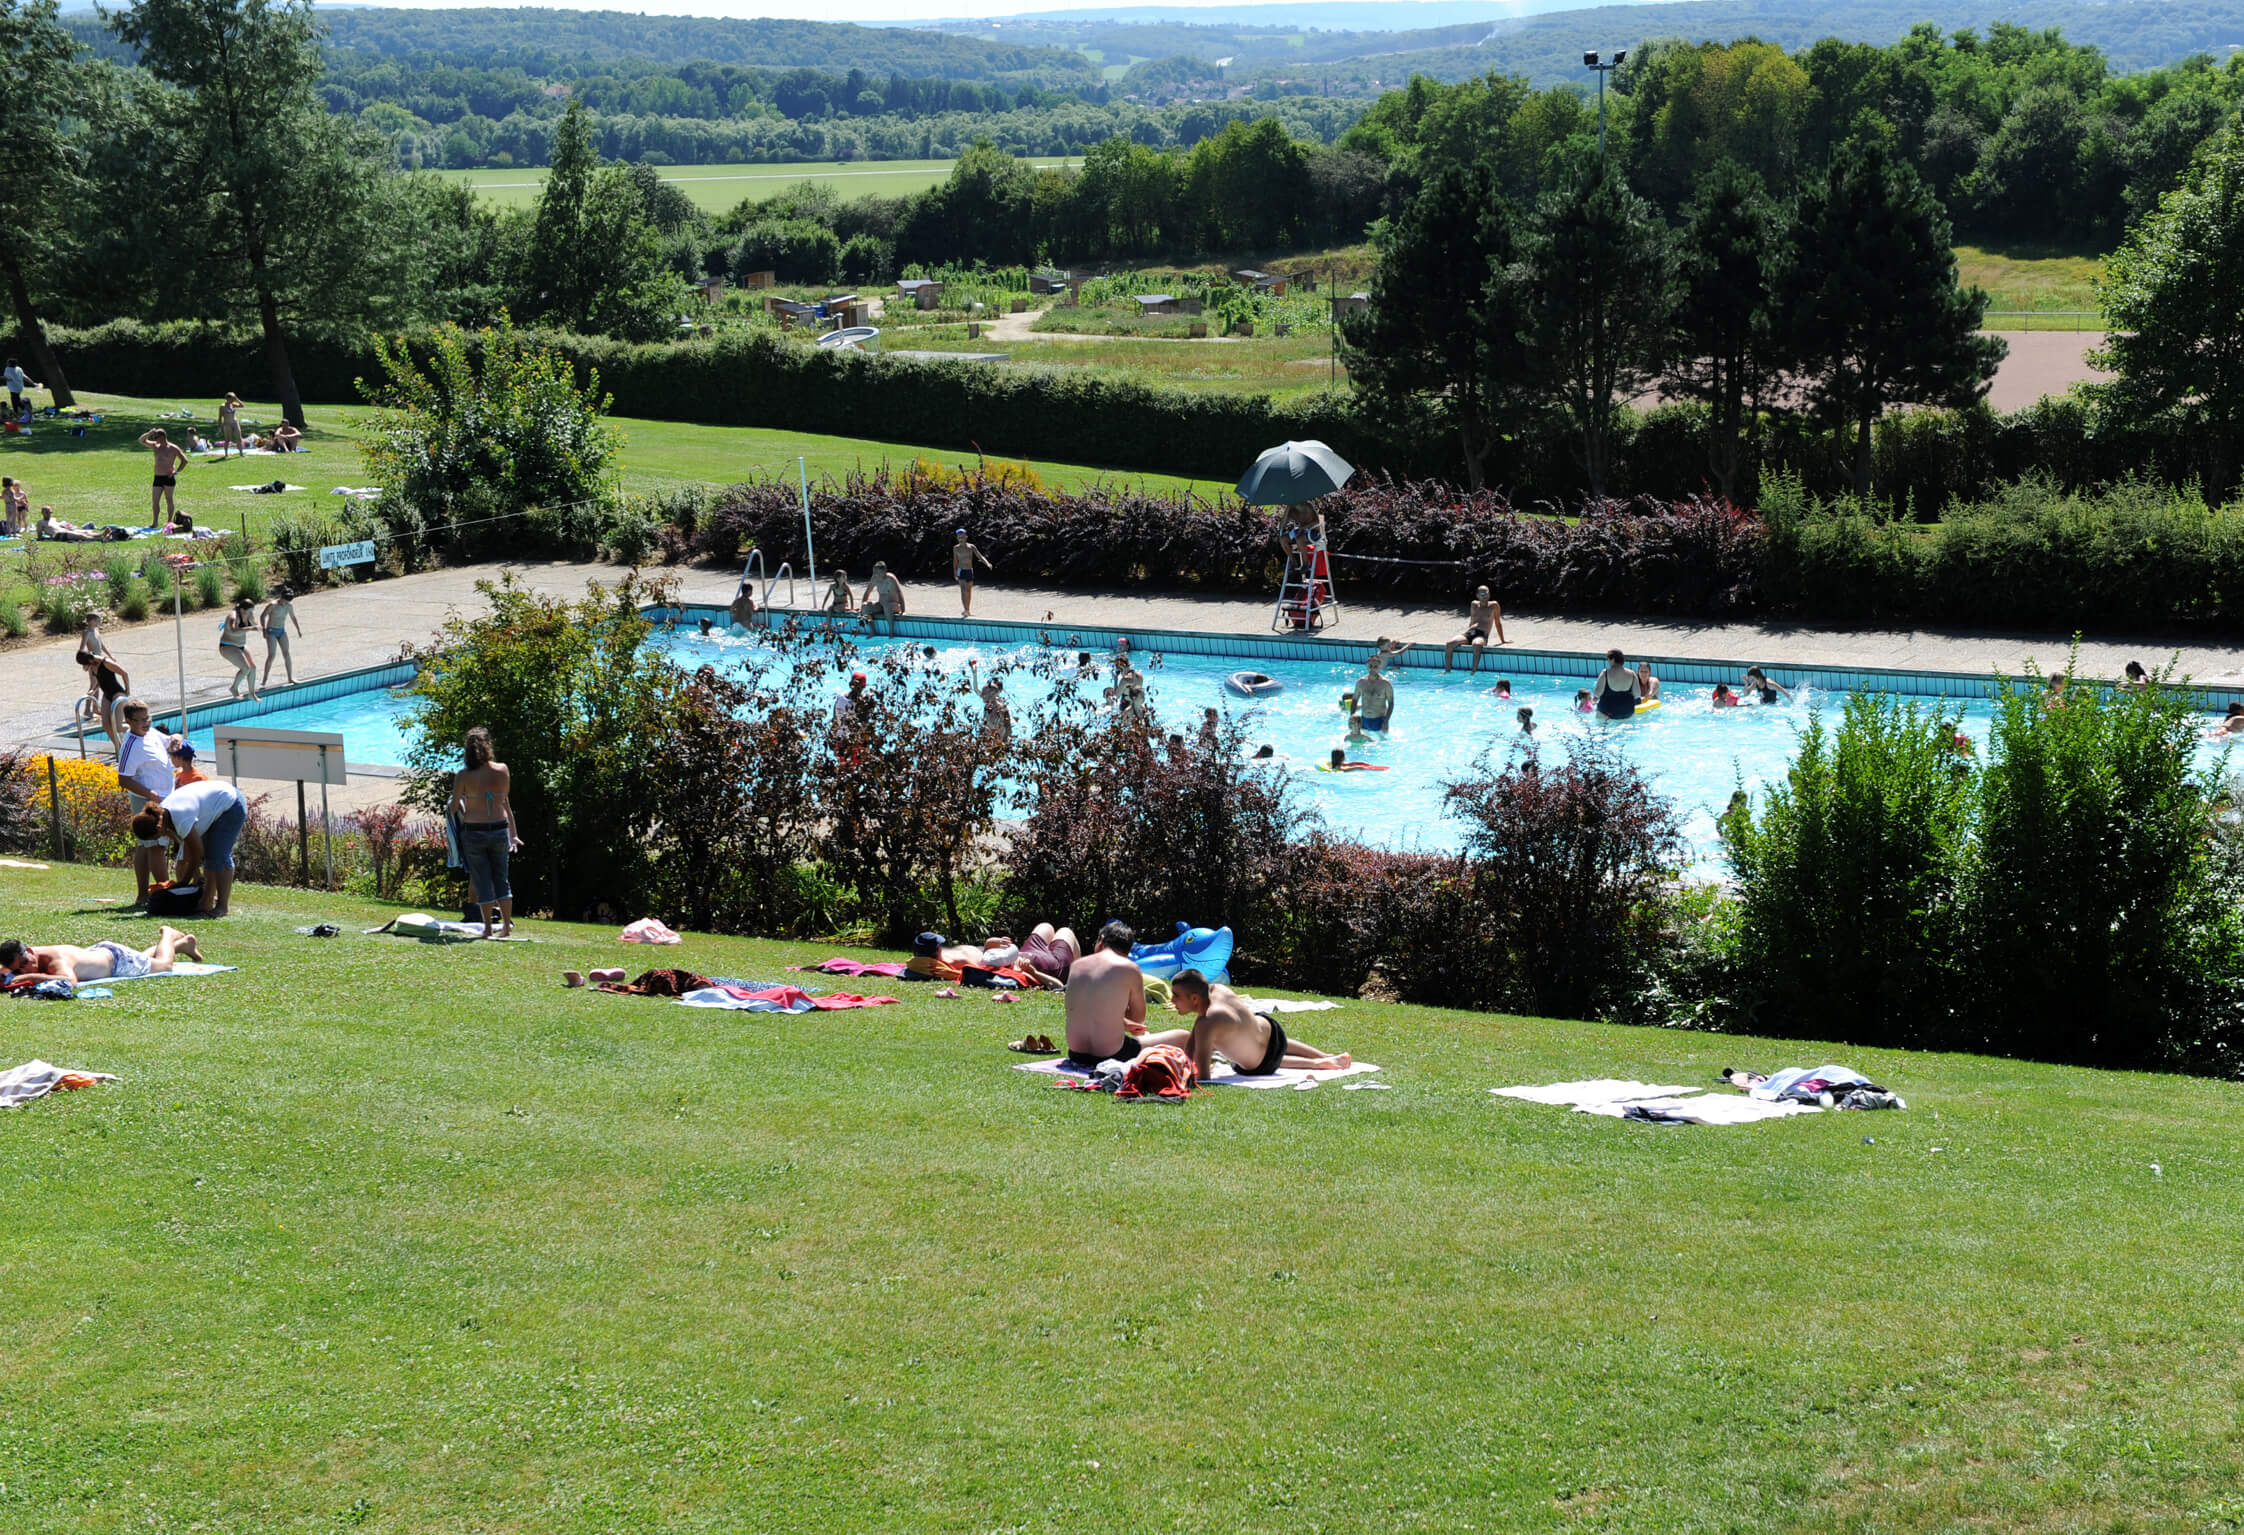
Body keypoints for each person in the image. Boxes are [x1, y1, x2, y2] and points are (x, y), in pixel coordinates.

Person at [1144, 970, 1352, 1078]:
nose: (1172, 1001)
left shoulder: (1206, 1023)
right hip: (1272, 1029)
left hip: (1262, 1063)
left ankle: (1318, 1063)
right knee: (1254, 1041)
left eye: (1177, 996)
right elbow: (1195, 1036)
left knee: (1256, 1055)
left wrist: (1191, 1069)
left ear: (1195, 998)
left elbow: (1203, 1075)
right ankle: (1324, 1055)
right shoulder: (1217, 990)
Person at [450, 726, 521, 938]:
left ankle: (488, 928)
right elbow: (504, 802)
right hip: (499, 828)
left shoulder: (463, 775)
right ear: (488, 746)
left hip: (474, 831)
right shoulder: (502, 770)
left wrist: (464, 803)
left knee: (482, 880)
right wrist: (513, 834)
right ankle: (506, 927)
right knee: (502, 878)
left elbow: (454, 807)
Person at [157, 777, 247, 917]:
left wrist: (184, 882)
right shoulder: (163, 814)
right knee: (210, 859)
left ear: (158, 827)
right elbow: (188, 848)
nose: (157, 839)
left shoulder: (180, 817)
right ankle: (206, 902)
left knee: (218, 856)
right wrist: (195, 875)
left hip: (231, 804)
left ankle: (222, 906)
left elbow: (197, 854)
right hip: (214, 805)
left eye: (155, 836)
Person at [115, 699, 175, 905]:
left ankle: (143, 895)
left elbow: (168, 740)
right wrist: (150, 794)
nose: (146, 723)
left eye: (147, 718)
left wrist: (175, 739)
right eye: (140, 720)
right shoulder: (130, 745)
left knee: (145, 845)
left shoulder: (151, 733)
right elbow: (123, 778)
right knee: (156, 844)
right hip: (146, 801)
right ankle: (165, 891)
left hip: (162, 798)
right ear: (129, 721)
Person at [1062, 920, 1145, 1068]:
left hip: (1076, 1054)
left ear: (1101, 939)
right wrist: (1120, 1017)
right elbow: (1138, 1019)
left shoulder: (1077, 965)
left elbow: (1079, 1009)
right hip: (1112, 1054)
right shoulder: (1129, 968)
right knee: (1182, 1036)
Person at [0, 928, 203, 984]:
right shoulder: (25, 954)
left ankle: (168, 935)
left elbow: (70, 981)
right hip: (101, 954)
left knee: (164, 965)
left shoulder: (56, 960)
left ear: (30, 952)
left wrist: (29, 977)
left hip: (117, 962)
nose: (26, 968)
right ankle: (183, 945)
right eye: (20, 968)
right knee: (142, 959)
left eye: (26, 963)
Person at [1442, 587, 1506, 671]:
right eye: (1482, 594)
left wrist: (1502, 640)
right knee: (1449, 644)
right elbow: (1472, 621)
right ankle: (1447, 671)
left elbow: (1498, 623)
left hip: (1482, 635)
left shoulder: (1494, 605)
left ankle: (1473, 672)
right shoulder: (1474, 604)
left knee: (1477, 645)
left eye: (1487, 593)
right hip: (1470, 633)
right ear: (1477, 595)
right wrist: (1465, 636)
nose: (1485, 595)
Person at [78, 648, 128, 750]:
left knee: (118, 727)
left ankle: (141, 730)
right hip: (107, 695)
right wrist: (93, 689)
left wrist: (127, 690)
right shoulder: (92, 665)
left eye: (84, 665)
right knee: (105, 724)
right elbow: (100, 679)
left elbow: (124, 673)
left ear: (89, 660)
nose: (83, 668)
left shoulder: (106, 662)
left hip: (117, 693)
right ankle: (119, 747)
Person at [139, 428, 190, 523]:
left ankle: (169, 521)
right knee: (155, 501)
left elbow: (185, 460)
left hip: (168, 477)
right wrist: (150, 433)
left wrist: (177, 471)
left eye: (156, 437)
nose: (155, 439)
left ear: (162, 437)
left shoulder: (173, 448)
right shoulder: (155, 446)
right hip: (157, 477)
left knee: (169, 500)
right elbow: (141, 440)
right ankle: (155, 522)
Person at [259, 586, 304, 686]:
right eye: (285, 600)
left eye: (288, 601)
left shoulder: (289, 606)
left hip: (282, 631)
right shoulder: (273, 605)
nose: (286, 603)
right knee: (272, 655)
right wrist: (263, 630)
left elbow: (293, 617)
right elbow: (263, 616)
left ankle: (290, 678)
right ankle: (264, 679)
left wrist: (298, 629)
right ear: (281, 597)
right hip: (271, 631)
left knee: (287, 654)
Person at [218, 598, 260, 700]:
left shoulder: (247, 614)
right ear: (242, 610)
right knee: (246, 668)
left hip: (241, 645)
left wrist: (255, 624)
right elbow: (234, 630)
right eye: (250, 611)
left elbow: (255, 624)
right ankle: (234, 688)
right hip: (227, 646)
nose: (251, 613)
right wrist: (251, 628)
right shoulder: (233, 616)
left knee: (253, 668)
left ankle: (251, 693)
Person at [952, 528, 993, 617]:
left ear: (966, 537)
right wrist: (955, 573)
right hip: (961, 571)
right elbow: (955, 561)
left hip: (969, 570)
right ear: (957, 538)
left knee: (969, 591)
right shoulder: (956, 548)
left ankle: (968, 609)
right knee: (963, 590)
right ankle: (965, 609)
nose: (961, 539)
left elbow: (980, 556)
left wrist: (987, 563)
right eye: (959, 537)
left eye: (962, 537)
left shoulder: (971, 547)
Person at [858, 561, 905, 636]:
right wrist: (862, 607)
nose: (876, 574)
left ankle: (891, 631)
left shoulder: (890, 578)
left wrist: (903, 610)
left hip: (894, 605)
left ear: (884, 571)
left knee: (887, 606)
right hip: (881, 605)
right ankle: (872, 631)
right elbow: (867, 592)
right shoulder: (874, 578)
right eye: (875, 572)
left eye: (878, 573)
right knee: (865, 607)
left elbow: (899, 593)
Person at [1593, 649, 1642, 719]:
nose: (1608, 662)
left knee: (1599, 715)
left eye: (1608, 659)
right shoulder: (1632, 673)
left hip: (1607, 712)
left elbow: (1597, 693)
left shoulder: (1605, 673)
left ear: (1612, 659)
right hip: (1627, 712)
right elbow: (1637, 694)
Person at [1355, 656, 1395, 733]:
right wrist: (1352, 717)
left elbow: (1391, 704)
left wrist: (1386, 721)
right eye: (1370, 666)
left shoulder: (1386, 684)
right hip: (1364, 720)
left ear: (1380, 667)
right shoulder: (1361, 682)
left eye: (1375, 666)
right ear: (1367, 666)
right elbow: (1354, 700)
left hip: (1379, 721)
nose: (1372, 669)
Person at [980, 675, 1011, 741]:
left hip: (999, 736)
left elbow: (1008, 727)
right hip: (990, 735)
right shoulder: (987, 706)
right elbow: (985, 722)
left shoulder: (1002, 707)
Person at [217, 392, 244, 458]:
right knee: (227, 440)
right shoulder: (222, 406)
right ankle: (226, 454)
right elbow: (220, 417)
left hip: (235, 423)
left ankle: (241, 454)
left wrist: (237, 399)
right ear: (227, 398)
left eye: (233, 399)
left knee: (239, 439)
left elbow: (242, 405)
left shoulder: (233, 404)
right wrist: (220, 427)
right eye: (232, 399)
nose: (233, 400)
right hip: (227, 424)